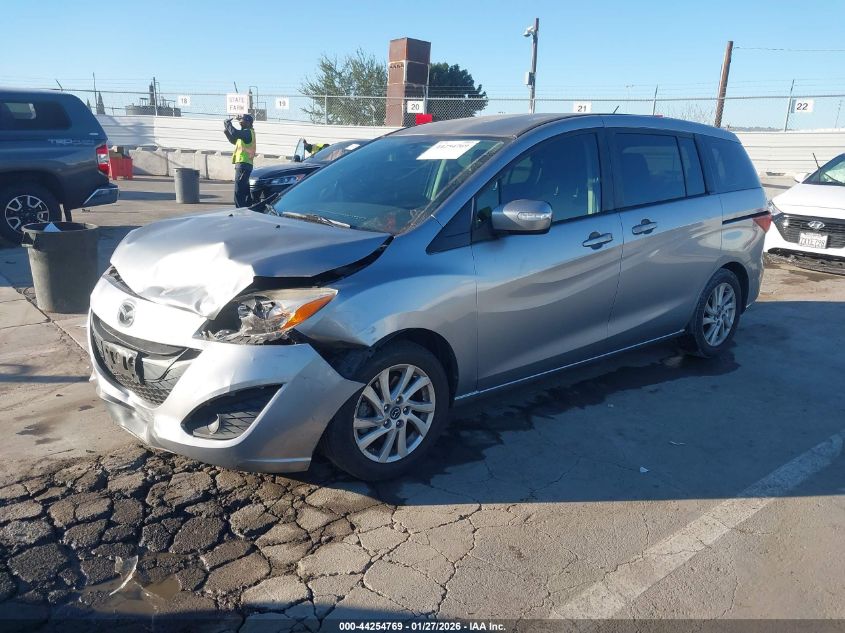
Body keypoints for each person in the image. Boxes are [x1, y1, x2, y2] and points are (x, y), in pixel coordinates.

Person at [224, 114, 257, 207]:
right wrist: (227, 132)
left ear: (248, 123)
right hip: (244, 165)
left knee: (239, 192)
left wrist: (228, 124)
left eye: (242, 121)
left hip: (244, 165)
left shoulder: (248, 132)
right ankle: (246, 209)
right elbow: (234, 140)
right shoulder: (244, 134)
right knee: (244, 191)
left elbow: (235, 133)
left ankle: (239, 211)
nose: (240, 122)